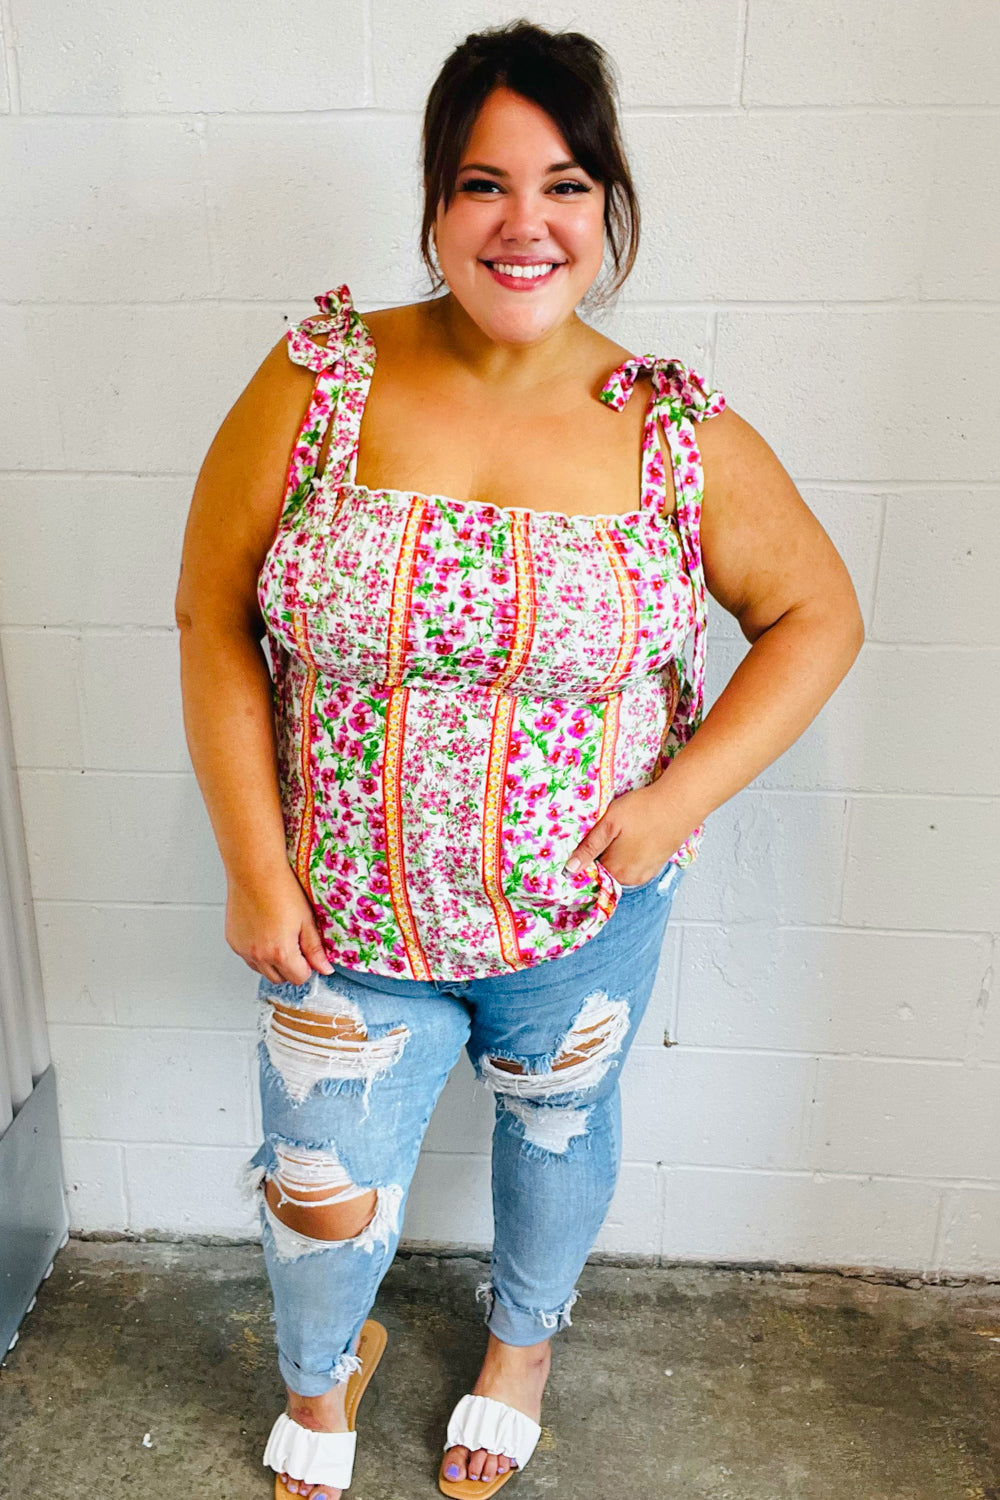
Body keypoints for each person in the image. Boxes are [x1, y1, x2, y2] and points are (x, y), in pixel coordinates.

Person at [174, 20, 864, 1500]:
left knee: (555, 1144)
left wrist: (673, 802)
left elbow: (819, 614)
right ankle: (324, 1370)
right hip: (341, 919)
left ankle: (522, 1348)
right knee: (317, 1193)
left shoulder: (673, 430)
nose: (523, 224)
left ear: (607, 205)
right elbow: (210, 614)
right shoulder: (318, 380)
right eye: (484, 184)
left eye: (563, 184)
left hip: (573, 929)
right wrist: (250, 858)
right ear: (435, 203)